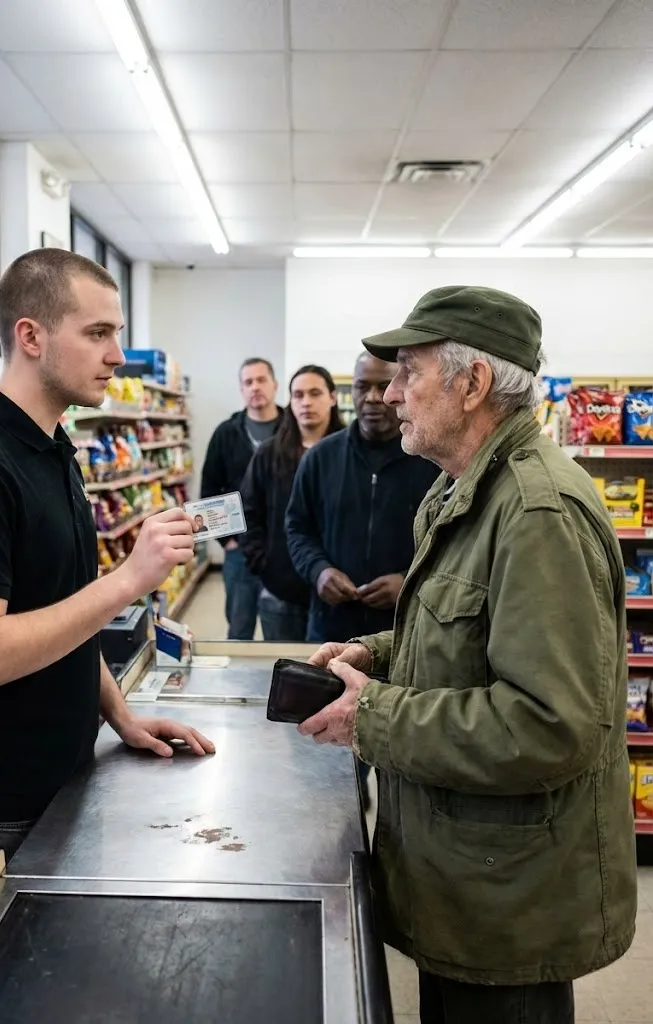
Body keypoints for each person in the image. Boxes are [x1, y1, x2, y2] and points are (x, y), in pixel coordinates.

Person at [298, 285, 637, 1024]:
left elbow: (549, 725)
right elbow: (464, 636)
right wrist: (375, 653)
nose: (390, 394)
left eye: (408, 373)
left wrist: (371, 715)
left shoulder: (538, 514)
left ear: (473, 382)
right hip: (464, 880)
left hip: (510, 900)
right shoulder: (462, 491)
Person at [0, 249, 215, 902]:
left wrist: (121, 716)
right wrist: (129, 579)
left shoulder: (55, 453)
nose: (117, 356)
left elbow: (66, 611)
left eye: (117, 334)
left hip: (64, 779)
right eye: (97, 333)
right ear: (31, 336)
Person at [286, 351, 439, 644]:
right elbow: (297, 529)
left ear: (401, 388)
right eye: (362, 386)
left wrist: (409, 582)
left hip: (405, 633)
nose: (372, 398)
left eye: (383, 386)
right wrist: (319, 571)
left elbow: (452, 545)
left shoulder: (432, 462)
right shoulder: (320, 458)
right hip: (331, 630)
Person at [240, 365, 343, 642]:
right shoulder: (269, 454)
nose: (306, 402)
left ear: (332, 397)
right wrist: (264, 563)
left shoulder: (349, 453)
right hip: (281, 593)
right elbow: (249, 512)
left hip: (339, 596)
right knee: (284, 666)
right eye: (298, 395)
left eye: (315, 393)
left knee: (331, 667)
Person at [201, 358, 282, 639]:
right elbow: (209, 489)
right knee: (238, 631)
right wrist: (228, 541)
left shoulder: (292, 428)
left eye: (261, 380)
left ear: (275, 385)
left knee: (282, 634)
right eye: (248, 382)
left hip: (283, 551)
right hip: (240, 552)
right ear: (241, 389)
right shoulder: (226, 433)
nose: (255, 387)